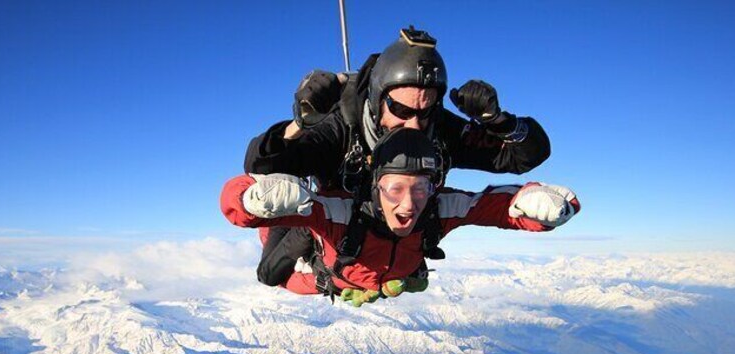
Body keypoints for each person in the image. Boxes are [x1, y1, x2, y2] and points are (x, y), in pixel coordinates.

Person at [244, 27, 552, 289]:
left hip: (396, 225)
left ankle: (396, 265)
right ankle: (323, 264)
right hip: (334, 216)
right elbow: (261, 166)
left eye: (425, 111)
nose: (414, 125)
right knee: (271, 272)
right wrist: (300, 123)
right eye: (402, 111)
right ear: (378, 98)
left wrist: (499, 121)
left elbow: (524, 156)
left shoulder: (439, 129)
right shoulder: (342, 127)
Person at [222, 127, 580, 307]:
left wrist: (538, 205)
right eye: (395, 188)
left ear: (433, 187)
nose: (409, 204)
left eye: (420, 188)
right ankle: (302, 232)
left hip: (377, 273)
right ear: (375, 187)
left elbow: (495, 206)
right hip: (322, 273)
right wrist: (253, 199)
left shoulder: (437, 209)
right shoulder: (341, 212)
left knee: (409, 275)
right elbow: (239, 208)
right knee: (270, 275)